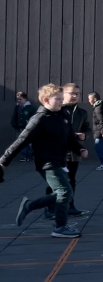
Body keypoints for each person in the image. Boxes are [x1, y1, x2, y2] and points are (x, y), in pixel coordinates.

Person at [2, 84, 88, 239]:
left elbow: (69, 138)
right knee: (64, 192)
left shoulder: (63, 116)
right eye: (58, 99)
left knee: (64, 193)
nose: (62, 102)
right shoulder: (39, 119)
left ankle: (30, 206)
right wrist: (4, 160)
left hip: (60, 161)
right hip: (46, 162)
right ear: (46, 100)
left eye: (62, 99)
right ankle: (60, 227)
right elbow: (21, 140)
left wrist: (79, 149)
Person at [43, 83, 91, 219]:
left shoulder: (82, 112)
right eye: (71, 93)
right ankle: (50, 208)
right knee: (55, 181)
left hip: (74, 152)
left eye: (77, 93)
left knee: (71, 180)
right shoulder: (57, 110)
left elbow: (87, 128)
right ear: (63, 94)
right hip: (58, 153)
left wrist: (84, 135)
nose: (75, 96)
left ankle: (70, 206)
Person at [10, 92, 34, 162]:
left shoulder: (30, 108)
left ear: (25, 99)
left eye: (20, 99)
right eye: (18, 99)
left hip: (27, 128)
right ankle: (24, 156)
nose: (19, 101)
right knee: (20, 143)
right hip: (18, 128)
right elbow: (15, 116)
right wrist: (13, 124)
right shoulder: (17, 107)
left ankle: (30, 156)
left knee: (29, 142)